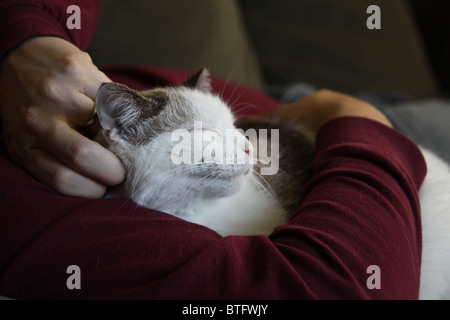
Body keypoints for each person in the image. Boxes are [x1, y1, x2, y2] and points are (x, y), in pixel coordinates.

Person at [0, 0, 425, 299]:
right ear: (122, 134)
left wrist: (21, 32)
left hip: (305, 111)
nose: (244, 148)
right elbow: (341, 287)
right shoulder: (63, 229)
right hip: (372, 144)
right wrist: (354, 117)